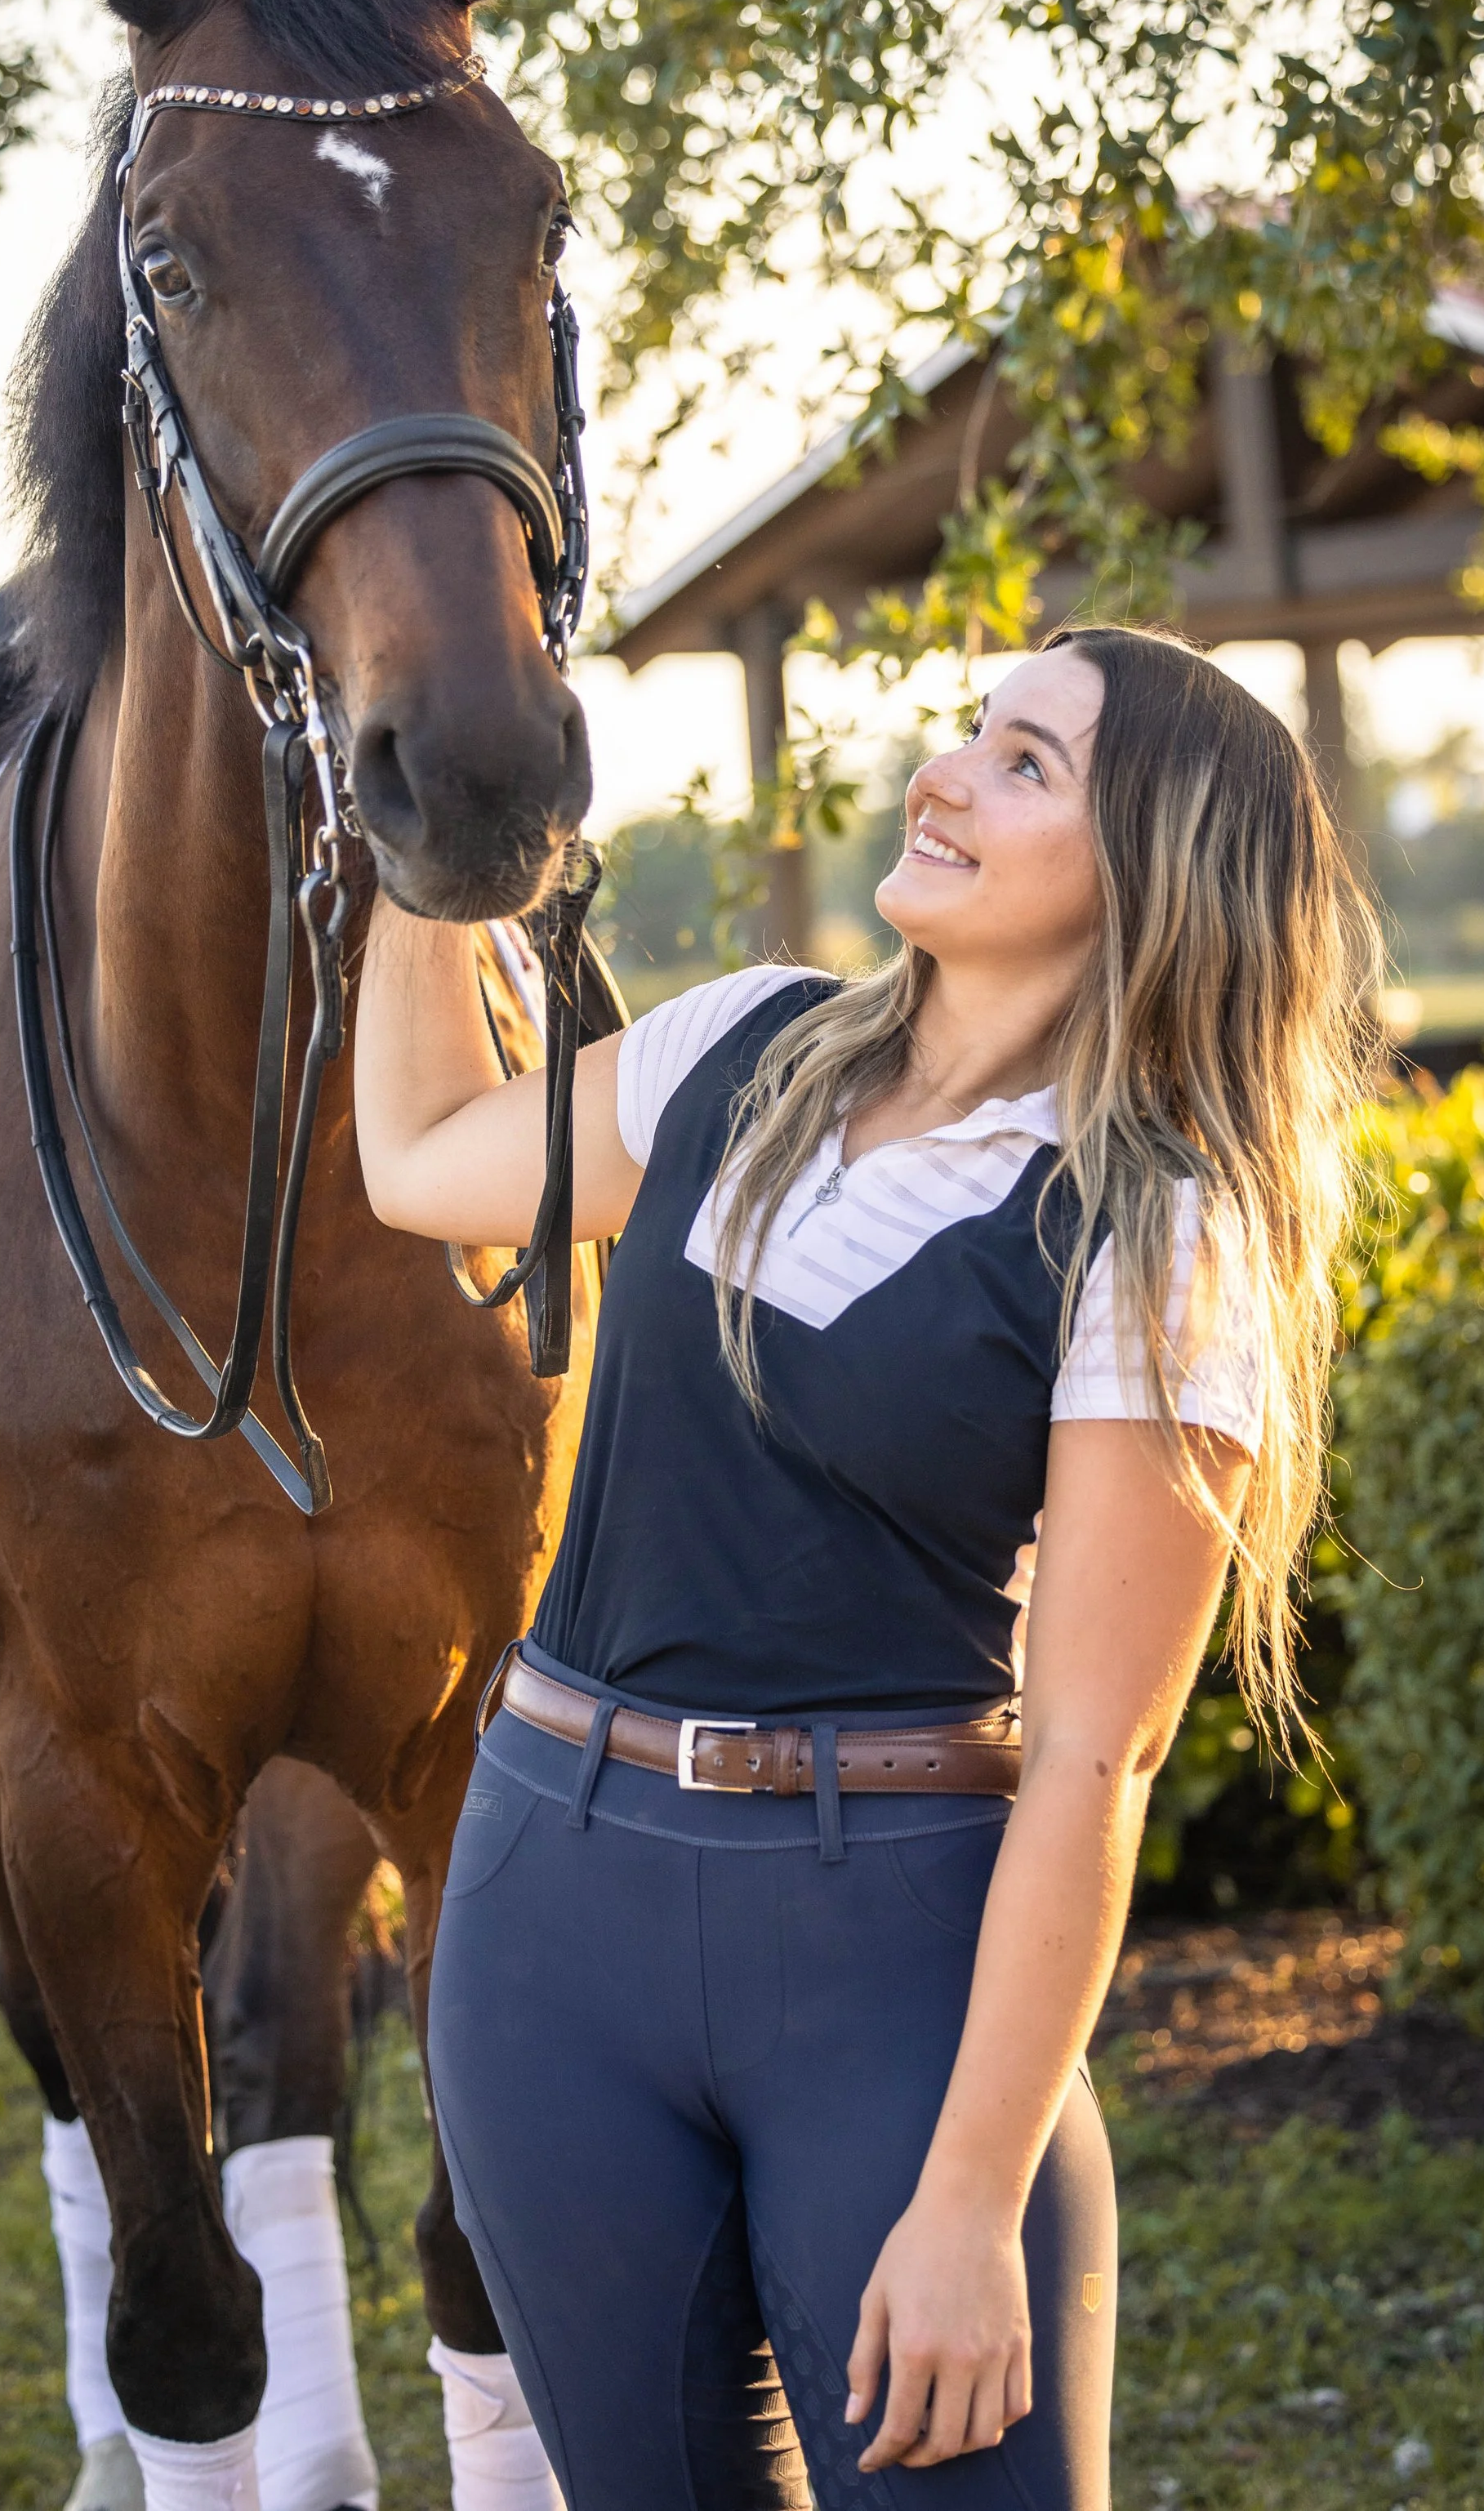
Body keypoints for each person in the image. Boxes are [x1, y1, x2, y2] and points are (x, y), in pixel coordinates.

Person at [353, 624, 1377, 2509]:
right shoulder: (731, 1041)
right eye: (966, 735)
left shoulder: (1153, 1218)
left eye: (1025, 764)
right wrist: (426, 849)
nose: (944, 775)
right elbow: (416, 1154)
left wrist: (973, 2198)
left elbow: (1093, 1749)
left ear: (1150, 870)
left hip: (881, 1954)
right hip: (540, 1917)